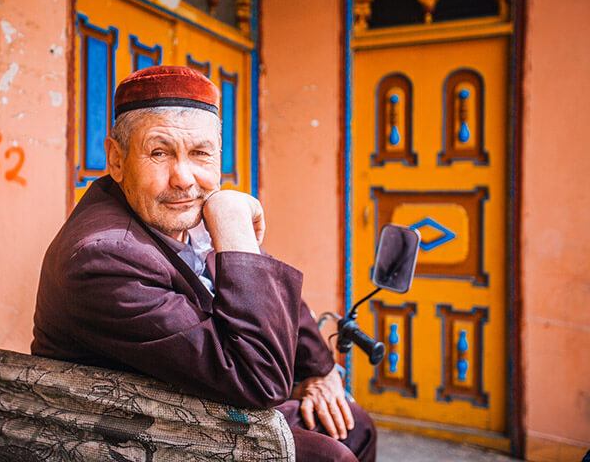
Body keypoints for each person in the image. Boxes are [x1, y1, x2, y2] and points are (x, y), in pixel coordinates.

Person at [31, 66, 376, 462]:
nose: (183, 178)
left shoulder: (177, 217)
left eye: (200, 154)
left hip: (195, 404)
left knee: (353, 423)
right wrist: (234, 226)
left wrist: (320, 371)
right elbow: (259, 380)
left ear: (219, 158)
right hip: (137, 435)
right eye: (159, 153)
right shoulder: (104, 257)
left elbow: (270, 306)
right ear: (117, 159)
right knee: (332, 455)